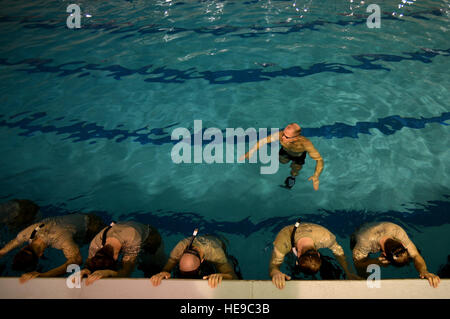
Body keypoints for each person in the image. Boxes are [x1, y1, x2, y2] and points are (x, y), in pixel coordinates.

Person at [0, 212, 105, 283]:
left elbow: (76, 260)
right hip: (78, 218)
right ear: (23, 248)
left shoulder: (61, 241)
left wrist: (44, 275)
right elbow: (2, 251)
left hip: (93, 226)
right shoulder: (27, 233)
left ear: (40, 255)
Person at [269, 219, 360, 289]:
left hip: (311, 232)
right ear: (318, 254)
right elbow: (339, 253)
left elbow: (275, 264)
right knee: (289, 261)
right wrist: (347, 271)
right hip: (292, 238)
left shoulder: (325, 237)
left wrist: (275, 271)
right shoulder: (284, 243)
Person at [351, 221, 440, 288]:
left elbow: (415, 255)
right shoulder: (365, 243)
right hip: (357, 235)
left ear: (402, 245)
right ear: (384, 254)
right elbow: (357, 263)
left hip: (373, 227)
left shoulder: (398, 232)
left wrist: (424, 271)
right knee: (362, 272)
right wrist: (377, 262)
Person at [240, 123, 323, 190]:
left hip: (298, 156)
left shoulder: (306, 144)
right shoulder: (280, 135)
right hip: (285, 152)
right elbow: (263, 141)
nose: (282, 137)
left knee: (295, 169)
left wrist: (316, 176)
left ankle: (292, 177)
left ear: (296, 138)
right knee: (282, 161)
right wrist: (250, 152)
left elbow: (319, 159)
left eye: (286, 137)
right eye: (283, 133)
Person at [80, 220, 166, 285]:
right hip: (126, 232)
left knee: (154, 269)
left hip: (151, 240)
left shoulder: (132, 238)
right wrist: (85, 270)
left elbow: (126, 273)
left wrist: (108, 273)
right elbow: (90, 261)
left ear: (116, 258)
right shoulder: (95, 244)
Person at [150, 229, 239, 288]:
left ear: (202, 260)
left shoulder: (215, 252)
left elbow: (234, 277)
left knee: (229, 264)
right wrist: (163, 273)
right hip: (203, 242)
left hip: (218, 241)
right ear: (180, 257)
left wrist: (222, 276)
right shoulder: (179, 248)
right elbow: (166, 269)